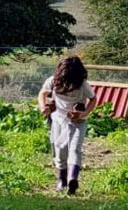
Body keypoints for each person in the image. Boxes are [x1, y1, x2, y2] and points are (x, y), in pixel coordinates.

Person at [38, 55, 94, 194]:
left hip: (78, 122)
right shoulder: (53, 81)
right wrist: (43, 107)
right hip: (59, 120)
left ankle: (72, 179)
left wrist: (83, 113)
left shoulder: (83, 85)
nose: (69, 86)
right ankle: (61, 180)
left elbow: (93, 99)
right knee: (60, 148)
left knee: (75, 149)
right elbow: (42, 93)